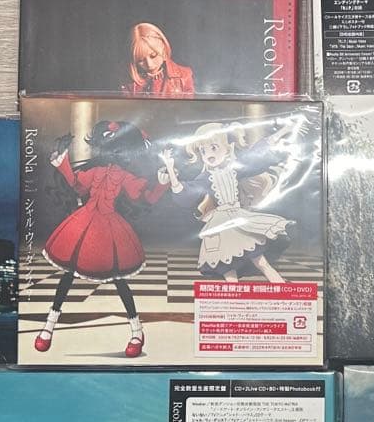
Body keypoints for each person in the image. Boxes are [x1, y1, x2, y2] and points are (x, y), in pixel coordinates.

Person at [34, 120, 170, 358]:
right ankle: (48, 326)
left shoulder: (126, 176)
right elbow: (77, 185)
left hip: (109, 227)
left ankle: (137, 331)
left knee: (118, 279)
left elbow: (146, 198)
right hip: (84, 222)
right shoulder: (96, 170)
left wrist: (161, 184)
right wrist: (63, 163)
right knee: (68, 273)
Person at [161, 120, 300, 283]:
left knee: (261, 262)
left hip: (239, 220)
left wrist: (283, 131)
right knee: (228, 270)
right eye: (203, 151)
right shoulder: (205, 178)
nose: (209, 154)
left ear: (227, 148)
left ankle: (282, 290)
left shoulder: (235, 169)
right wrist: (170, 170)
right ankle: (235, 298)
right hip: (220, 226)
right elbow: (185, 193)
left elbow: (256, 155)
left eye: (214, 148)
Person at [123, 22, 195, 97]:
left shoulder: (184, 76)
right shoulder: (128, 82)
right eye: (140, 60)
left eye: (153, 55)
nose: (149, 64)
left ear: (164, 48)